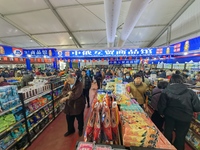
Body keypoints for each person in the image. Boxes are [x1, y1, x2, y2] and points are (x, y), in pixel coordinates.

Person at [158, 74, 200, 150]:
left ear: (171, 80)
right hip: (185, 118)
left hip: (170, 116)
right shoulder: (190, 92)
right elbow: (197, 107)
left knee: (168, 132)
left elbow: (162, 104)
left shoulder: (166, 91)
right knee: (181, 136)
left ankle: (166, 147)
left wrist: (161, 113)